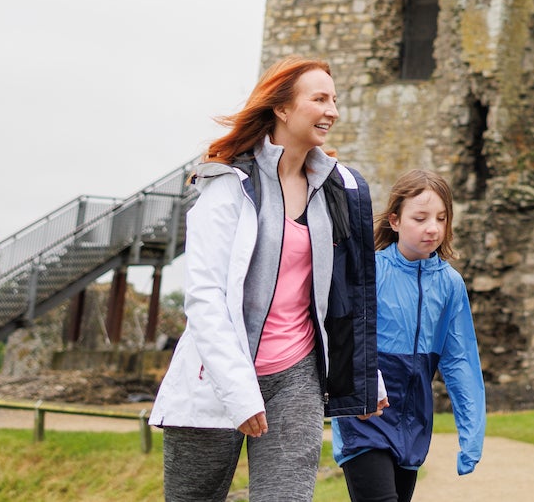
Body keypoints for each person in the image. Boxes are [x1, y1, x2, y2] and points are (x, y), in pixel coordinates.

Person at [150, 58, 383, 502]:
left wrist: (368, 372)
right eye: (319, 99)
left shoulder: (336, 189)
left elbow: (346, 295)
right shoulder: (227, 186)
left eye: (335, 100)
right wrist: (239, 392)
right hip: (215, 378)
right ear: (281, 108)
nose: (332, 110)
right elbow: (204, 300)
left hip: (296, 377)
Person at [333, 169, 485, 502]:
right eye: (420, 218)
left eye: (441, 218)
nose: (433, 227)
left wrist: (472, 433)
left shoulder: (450, 285)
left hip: (414, 421)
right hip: (365, 415)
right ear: (395, 220)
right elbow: (344, 339)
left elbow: (460, 360)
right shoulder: (370, 271)